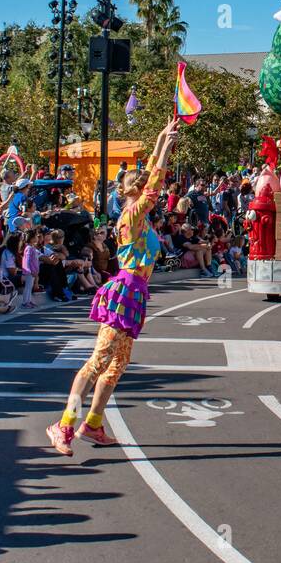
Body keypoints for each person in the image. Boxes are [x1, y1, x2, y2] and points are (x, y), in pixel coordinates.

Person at [48, 120, 181, 455]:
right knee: (98, 360)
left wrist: (163, 137)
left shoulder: (142, 215)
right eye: (145, 184)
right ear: (134, 190)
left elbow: (152, 174)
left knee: (117, 364)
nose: (153, 188)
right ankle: (64, 424)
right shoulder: (132, 215)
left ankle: (92, 423)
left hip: (136, 293)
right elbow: (155, 181)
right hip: (124, 292)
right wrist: (164, 148)